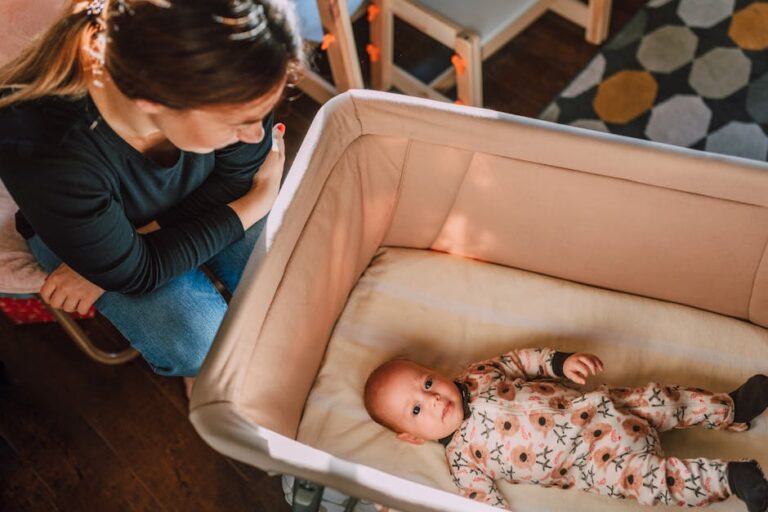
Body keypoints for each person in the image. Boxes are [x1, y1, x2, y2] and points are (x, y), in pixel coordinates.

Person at [0, 0, 303, 390]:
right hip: (80, 236)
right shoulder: (45, 150)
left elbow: (241, 174)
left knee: (287, 280)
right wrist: (251, 206)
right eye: (238, 123)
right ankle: (198, 374)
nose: (257, 135)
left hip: (165, 216)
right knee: (200, 344)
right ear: (152, 103)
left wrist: (134, 252)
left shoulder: (238, 58)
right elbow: (140, 272)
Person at [364, 348, 768, 511]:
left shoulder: (476, 375)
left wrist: (560, 362)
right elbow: (485, 506)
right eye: (417, 409)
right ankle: (734, 478)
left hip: (601, 405)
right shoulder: (462, 460)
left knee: (665, 399)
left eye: (428, 383)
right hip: (595, 462)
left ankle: (730, 408)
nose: (433, 400)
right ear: (412, 437)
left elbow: (518, 361)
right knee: (653, 483)